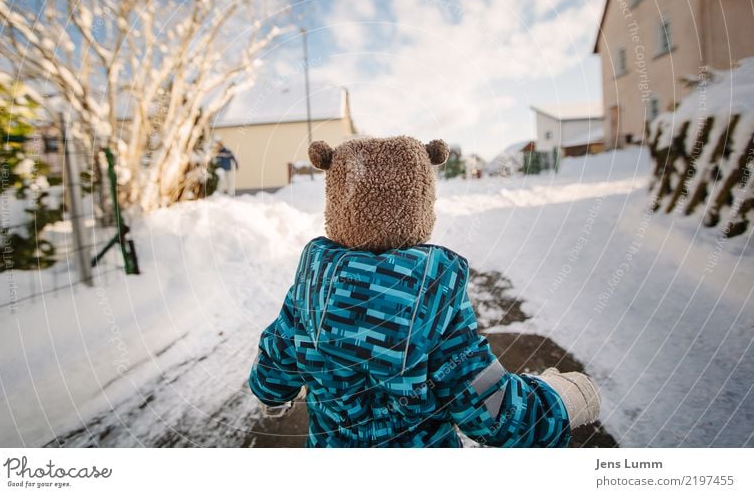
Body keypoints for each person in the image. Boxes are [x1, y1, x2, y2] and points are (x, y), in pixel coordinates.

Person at [249, 136, 600, 447]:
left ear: (338, 205)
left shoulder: (312, 287)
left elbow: (272, 369)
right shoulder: (433, 294)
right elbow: (490, 410)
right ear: (419, 206)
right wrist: (560, 401)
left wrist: (273, 394)